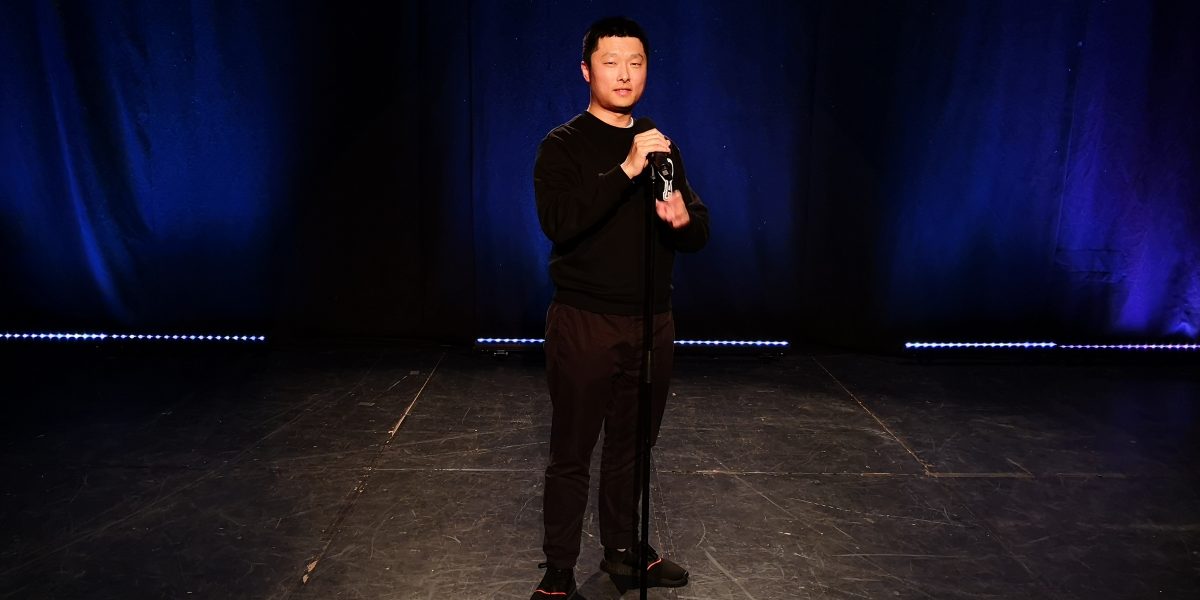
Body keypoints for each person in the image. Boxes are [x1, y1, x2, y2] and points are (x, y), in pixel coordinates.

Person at [529, 16, 710, 599]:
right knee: (572, 450)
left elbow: (696, 228)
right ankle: (558, 570)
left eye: (636, 62)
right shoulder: (563, 145)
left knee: (634, 447)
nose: (625, 73)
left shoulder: (659, 142)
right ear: (587, 71)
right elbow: (561, 221)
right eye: (611, 62)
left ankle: (625, 550)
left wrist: (681, 218)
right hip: (585, 320)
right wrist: (627, 168)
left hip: (653, 322)